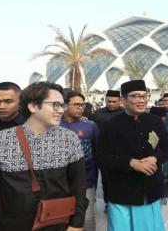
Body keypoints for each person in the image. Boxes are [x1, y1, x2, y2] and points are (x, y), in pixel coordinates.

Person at [0, 81, 88, 230]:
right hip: (11, 225)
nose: (61, 110)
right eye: (55, 105)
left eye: (62, 105)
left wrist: (76, 224)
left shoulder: (69, 139)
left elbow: (78, 186)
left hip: (57, 224)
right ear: (33, 106)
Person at [97, 80, 168, 231]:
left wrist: (155, 158)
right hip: (121, 191)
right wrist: (131, 163)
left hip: (148, 190)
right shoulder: (111, 125)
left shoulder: (156, 122)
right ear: (124, 100)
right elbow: (102, 157)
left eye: (144, 96)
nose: (141, 100)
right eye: (135, 96)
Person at [61, 90, 100, 231]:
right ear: (64, 105)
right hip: (60, 182)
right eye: (76, 104)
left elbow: (97, 153)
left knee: (87, 218)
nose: (80, 108)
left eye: (82, 105)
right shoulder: (53, 126)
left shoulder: (90, 126)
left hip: (86, 180)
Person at [91, 89, 124, 210]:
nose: (111, 104)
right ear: (105, 100)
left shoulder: (125, 114)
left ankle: (120, 203)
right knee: (106, 180)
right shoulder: (98, 114)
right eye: (109, 101)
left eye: (114, 101)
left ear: (120, 101)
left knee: (120, 180)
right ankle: (108, 203)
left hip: (121, 153)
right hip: (103, 153)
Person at [149, 106, 168, 231]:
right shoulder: (147, 130)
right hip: (151, 172)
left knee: (165, 203)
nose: (160, 120)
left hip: (167, 172)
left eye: (162, 118)